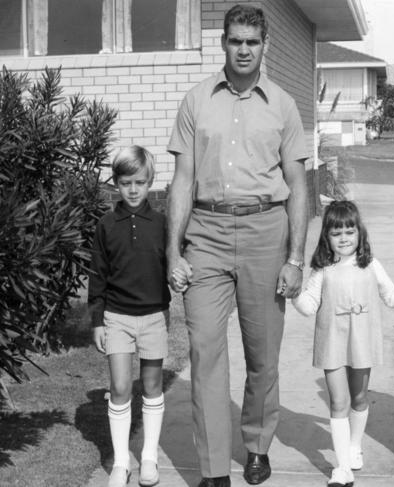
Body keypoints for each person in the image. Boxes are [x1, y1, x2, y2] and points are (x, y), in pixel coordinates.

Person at [165, 5, 308, 487]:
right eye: (235, 40)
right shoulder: (197, 100)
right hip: (205, 234)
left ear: (265, 44)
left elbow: (298, 184)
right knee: (205, 351)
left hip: (266, 233)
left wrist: (295, 258)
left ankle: (257, 444)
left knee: (263, 352)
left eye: (252, 41)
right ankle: (211, 470)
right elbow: (181, 180)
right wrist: (173, 251)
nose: (243, 49)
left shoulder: (283, 104)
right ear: (222, 43)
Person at [292, 200, 394, 487]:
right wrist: (293, 295)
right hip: (332, 341)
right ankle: (342, 467)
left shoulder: (370, 265)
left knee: (358, 398)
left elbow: (391, 294)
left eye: (349, 231)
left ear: (360, 233)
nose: (344, 238)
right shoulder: (323, 268)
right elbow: (309, 305)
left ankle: (354, 446)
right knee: (338, 401)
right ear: (327, 237)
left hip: (362, 341)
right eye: (337, 233)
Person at [88, 146, 171, 487]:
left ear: (150, 181)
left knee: (152, 386)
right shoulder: (106, 225)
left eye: (139, 182)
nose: (133, 190)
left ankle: (148, 458)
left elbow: (174, 264)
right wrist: (96, 320)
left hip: (154, 316)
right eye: (125, 183)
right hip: (116, 317)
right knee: (121, 387)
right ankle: (121, 462)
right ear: (116, 184)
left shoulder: (164, 223)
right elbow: (98, 275)